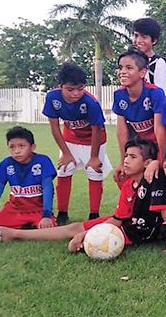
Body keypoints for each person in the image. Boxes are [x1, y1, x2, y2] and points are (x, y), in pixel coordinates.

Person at [0, 138, 166, 252]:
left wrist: (87, 236)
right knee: (74, 227)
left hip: (138, 230)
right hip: (124, 222)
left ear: (147, 162)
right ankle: (14, 234)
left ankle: (14, 234)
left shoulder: (155, 179)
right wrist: (84, 231)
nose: (126, 161)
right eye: (126, 157)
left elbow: (164, 210)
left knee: (86, 241)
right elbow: (118, 218)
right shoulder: (128, 184)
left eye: (133, 157)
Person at [42, 62, 113, 224]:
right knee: (64, 170)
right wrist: (66, 153)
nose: (76, 93)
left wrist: (94, 157)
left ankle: (94, 214)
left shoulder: (91, 103)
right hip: (70, 139)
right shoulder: (52, 97)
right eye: (70, 89)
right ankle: (62, 213)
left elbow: (97, 130)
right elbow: (54, 127)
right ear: (61, 86)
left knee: (94, 172)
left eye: (80, 89)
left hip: (94, 141)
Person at [0, 126, 57, 239]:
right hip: (14, 210)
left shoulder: (43, 161)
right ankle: (22, 227)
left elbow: (48, 188)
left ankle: (22, 229)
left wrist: (46, 215)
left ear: (32, 147)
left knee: (50, 231)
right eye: (12, 147)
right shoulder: (7, 164)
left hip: (37, 210)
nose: (16, 151)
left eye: (21, 146)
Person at [112, 48, 166, 182]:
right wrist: (123, 161)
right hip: (141, 145)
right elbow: (121, 131)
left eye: (129, 68)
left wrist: (162, 160)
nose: (123, 72)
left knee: (158, 179)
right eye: (120, 68)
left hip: (159, 144)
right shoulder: (119, 95)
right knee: (125, 178)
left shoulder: (155, 93)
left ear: (142, 72)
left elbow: (159, 131)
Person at [133, 17, 166, 93]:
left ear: (154, 41)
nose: (138, 41)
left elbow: (161, 95)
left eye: (144, 37)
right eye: (136, 36)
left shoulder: (158, 63)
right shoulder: (130, 61)